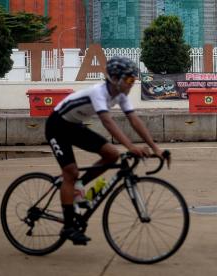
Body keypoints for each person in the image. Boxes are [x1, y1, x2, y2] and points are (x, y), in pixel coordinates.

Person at [45, 56, 168, 245]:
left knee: (111, 155)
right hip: (56, 126)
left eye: (133, 80)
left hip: (74, 125)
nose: (132, 83)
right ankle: (68, 226)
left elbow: (134, 120)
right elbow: (107, 122)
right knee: (70, 172)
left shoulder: (120, 96)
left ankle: (78, 187)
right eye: (128, 80)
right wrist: (131, 147)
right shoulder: (98, 92)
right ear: (114, 78)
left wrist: (156, 148)